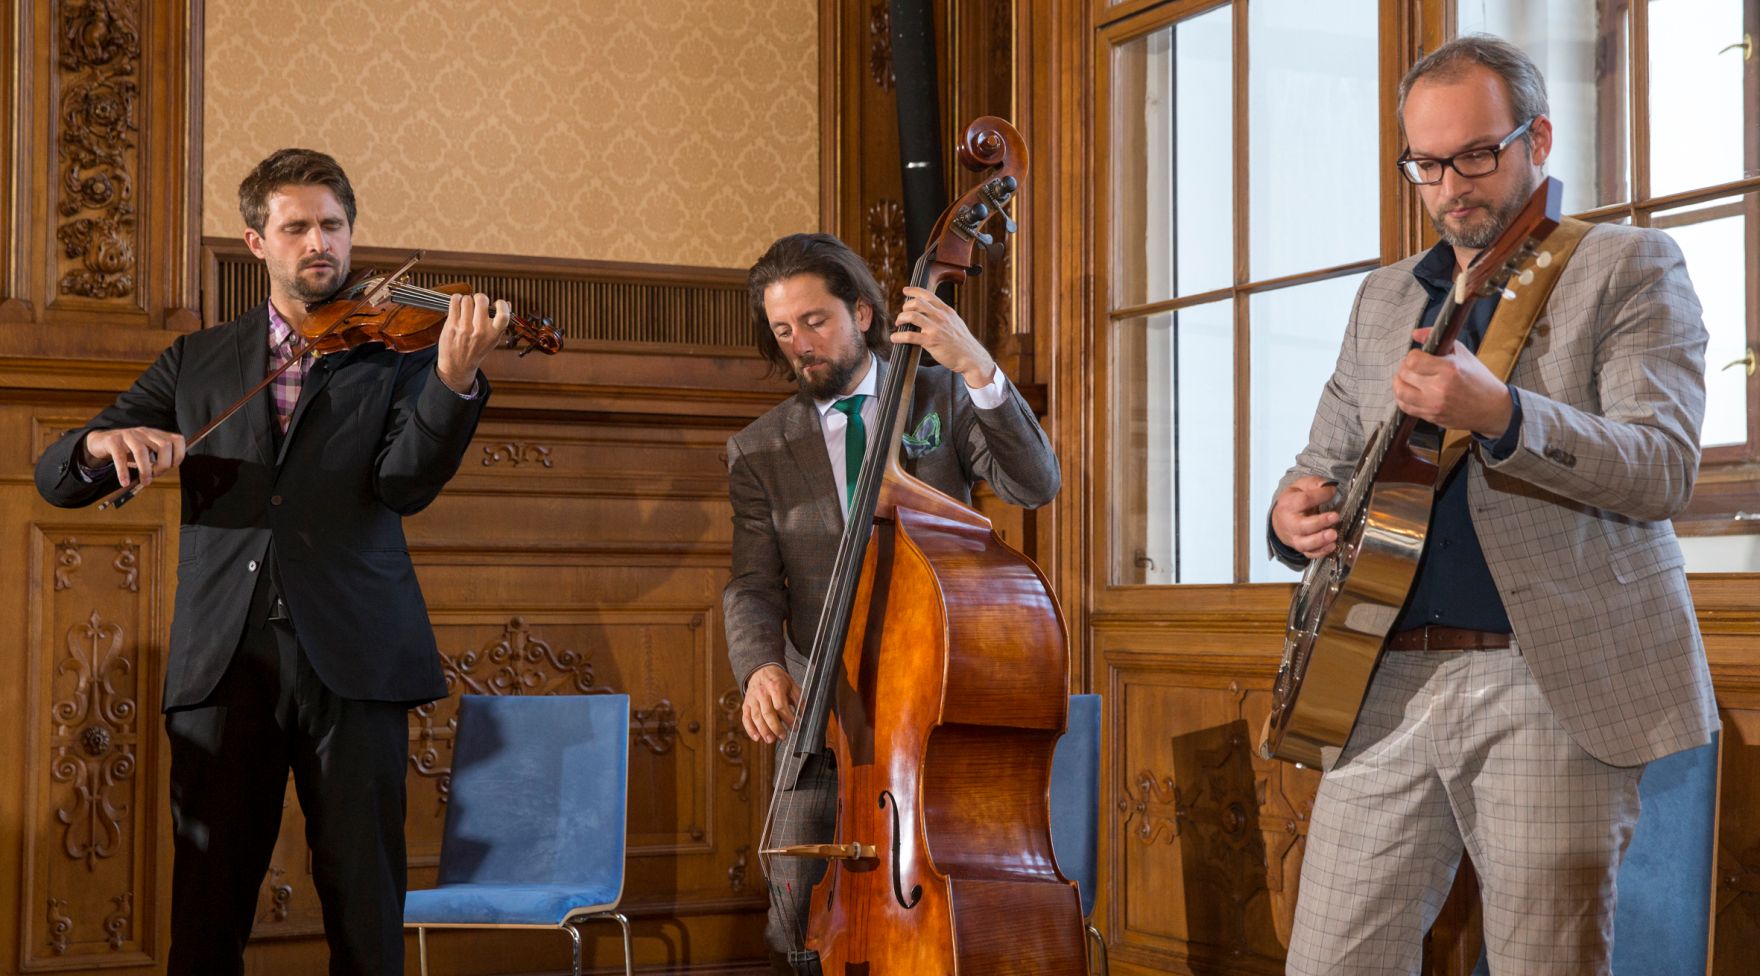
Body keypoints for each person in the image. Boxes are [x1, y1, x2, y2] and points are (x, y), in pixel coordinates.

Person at [1268, 35, 1718, 975]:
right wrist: (1290, 511)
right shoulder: (1386, 294)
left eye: (1475, 154)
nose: (1450, 187)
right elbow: (1324, 457)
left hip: (1546, 681)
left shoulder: (1628, 265)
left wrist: (1505, 414)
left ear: (1538, 138)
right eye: (1425, 165)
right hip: (1377, 676)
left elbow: (1663, 466)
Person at [35, 148, 508, 975]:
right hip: (225, 663)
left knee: (366, 909)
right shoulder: (199, 360)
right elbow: (57, 478)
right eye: (296, 227)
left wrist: (452, 379)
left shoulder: (402, 354)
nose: (318, 241)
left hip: (356, 661)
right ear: (258, 243)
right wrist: (102, 443)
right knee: (208, 908)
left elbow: (403, 485)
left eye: (333, 225)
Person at [722, 232, 1061, 971]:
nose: (800, 345)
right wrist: (758, 669)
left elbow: (1035, 485)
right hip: (824, 708)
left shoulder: (940, 395)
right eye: (783, 332)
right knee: (797, 919)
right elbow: (750, 583)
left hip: (933, 702)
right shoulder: (759, 450)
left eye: (814, 322)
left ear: (865, 315)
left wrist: (977, 366)